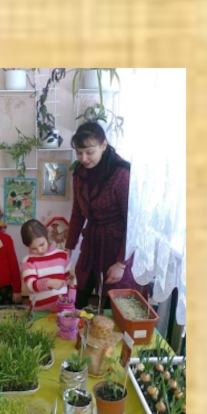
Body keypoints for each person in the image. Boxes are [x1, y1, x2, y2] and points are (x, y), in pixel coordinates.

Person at [64, 122, 144, 308]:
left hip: (118, 246)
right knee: (78, 295)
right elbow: (78, 212)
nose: (84, 158)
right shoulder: (79, 173)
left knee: (116, 303)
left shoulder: (121, 174)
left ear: (103, 145)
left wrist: (121, 263)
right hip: (92, 243)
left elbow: (133, 223)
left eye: (89, 152)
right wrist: (68, 248)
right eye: (79, 153)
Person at [20, 219, 74, 310]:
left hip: (62, 309)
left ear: (47, 235)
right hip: (38, 310)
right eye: (33, 248)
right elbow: (30, 285)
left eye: (42, 244)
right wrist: (48, 283)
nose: (39, 250)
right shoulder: (28, 261)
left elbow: (72, 280)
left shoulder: (63, 256)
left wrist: (71, 301)